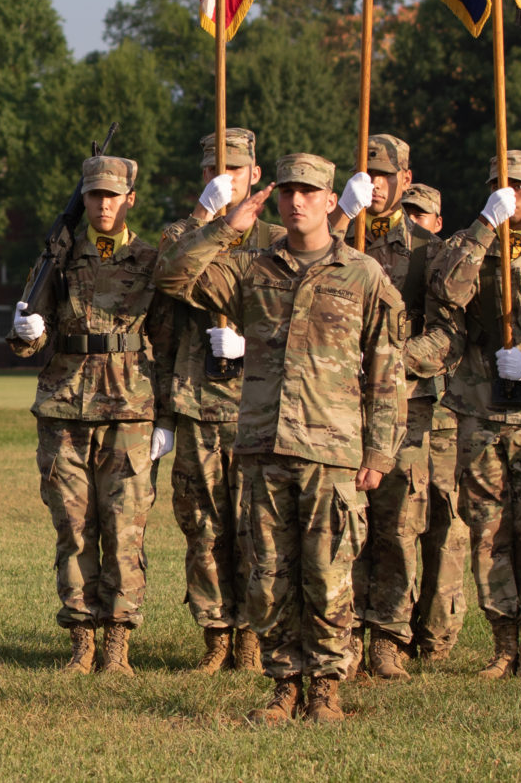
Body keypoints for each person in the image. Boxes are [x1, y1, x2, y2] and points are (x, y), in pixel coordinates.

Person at [154, 154, 405, 725]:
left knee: (328, 574)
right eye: (288, 191)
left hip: (332, 451)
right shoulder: (252, 271)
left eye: (309, 192)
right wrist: (223, 226)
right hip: (263, 447)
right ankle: (283, 685)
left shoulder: (362, 274)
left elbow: (386, 368)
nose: (297, 202)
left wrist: (379, 451)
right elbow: (171, 276)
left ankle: (326, 689)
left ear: (329, 199)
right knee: (269, 574)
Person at [404, 150, 521, 682]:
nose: (509, 190)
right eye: (498, 184)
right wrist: (486, 224)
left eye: (520, 184)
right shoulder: (469, 247)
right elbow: (445, 294)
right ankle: (502, 644)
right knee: (487, 531)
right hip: (479, 410)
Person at [9, 155, 174, 677]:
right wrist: (25, 331)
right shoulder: (58, 259)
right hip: (65, 409)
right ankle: (81, 641)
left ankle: (117, 646)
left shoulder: (152, 260)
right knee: (74, 527)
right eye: (94, 196)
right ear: (83, 200)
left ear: (131, 200)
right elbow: (29, 338)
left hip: (130, 410)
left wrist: (166, 417)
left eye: (112, 196)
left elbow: (168, 342)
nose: (103, 205)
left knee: (125, 528)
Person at [153, 127, 274, 674]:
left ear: (255, 174)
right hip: (200, 401)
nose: (221, 178)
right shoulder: (181, 233)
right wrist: (215, 224)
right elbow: (170, 278)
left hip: (258, 405)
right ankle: (215, 635)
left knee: (258, 526)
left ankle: (251, 635)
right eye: (210, 171)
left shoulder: (276, 236)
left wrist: (254, 334)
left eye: (233, 169)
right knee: (203, 527)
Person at [347, 135, 453, 679]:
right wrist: (342, 217)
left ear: (406, 180)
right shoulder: (336, 237)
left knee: (398, 522)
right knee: (342, 524)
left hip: (406, 407)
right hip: (337, 405)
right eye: (367, 172)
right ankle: (340, 636)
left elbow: (444, 336)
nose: (376, 183)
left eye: (385, 174)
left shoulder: (429, 252)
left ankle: (388, 636)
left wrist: (389, 362)